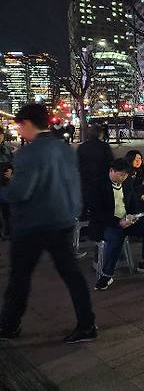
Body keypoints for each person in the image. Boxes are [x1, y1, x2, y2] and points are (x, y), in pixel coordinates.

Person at [0, 104, 97, 343]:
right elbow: (75, 184)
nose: (19, 130)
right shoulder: (64, 149)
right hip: (62, 220)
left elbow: (20, 192)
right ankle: (87, 324)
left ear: (28, 123)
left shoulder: (28, 153)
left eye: (20, 125)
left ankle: (10, 324)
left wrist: (4, 193)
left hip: (33, 224)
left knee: (20, 276)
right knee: (72, 275)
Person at [90, 158, 144, 290]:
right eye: (120, 174)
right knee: (116, 238)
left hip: (126, 220)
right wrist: (118, 222)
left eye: (125, 175)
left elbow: (133, 202)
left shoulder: (127, 182)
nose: (123, 177)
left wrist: (133, 216)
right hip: (106, 224)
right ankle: (107, 275)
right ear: (111, 171)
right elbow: (97, 212)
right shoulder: (99, 185)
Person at [77, 124, 114, 219]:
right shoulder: (104, 146)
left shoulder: (82, 147)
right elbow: (111, 162)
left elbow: (77, 163)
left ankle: (85, 221)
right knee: (101, 207)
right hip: (102, 180)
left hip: (86, 181)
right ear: (100, 134)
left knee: (87, 204)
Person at [124, 150, 144, 214]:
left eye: (139, 158)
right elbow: (126, 190)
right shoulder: (125, 173)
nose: (138, 161)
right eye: (135, 159)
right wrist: (139, 196)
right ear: (130, 160)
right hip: (131, 201)